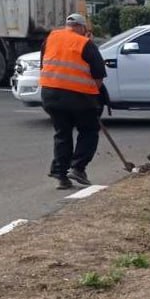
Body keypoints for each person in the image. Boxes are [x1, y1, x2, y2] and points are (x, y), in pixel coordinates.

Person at [40, 13, 107, 189]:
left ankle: (61, 175)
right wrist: (94, 97)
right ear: (82, 28)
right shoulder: (85, 43)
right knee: (89, 130)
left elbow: (44, 65)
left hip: (50, 95)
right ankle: (77, 167)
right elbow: (99, 76)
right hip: (79, 98)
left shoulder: (51, 38)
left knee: (62, 134)